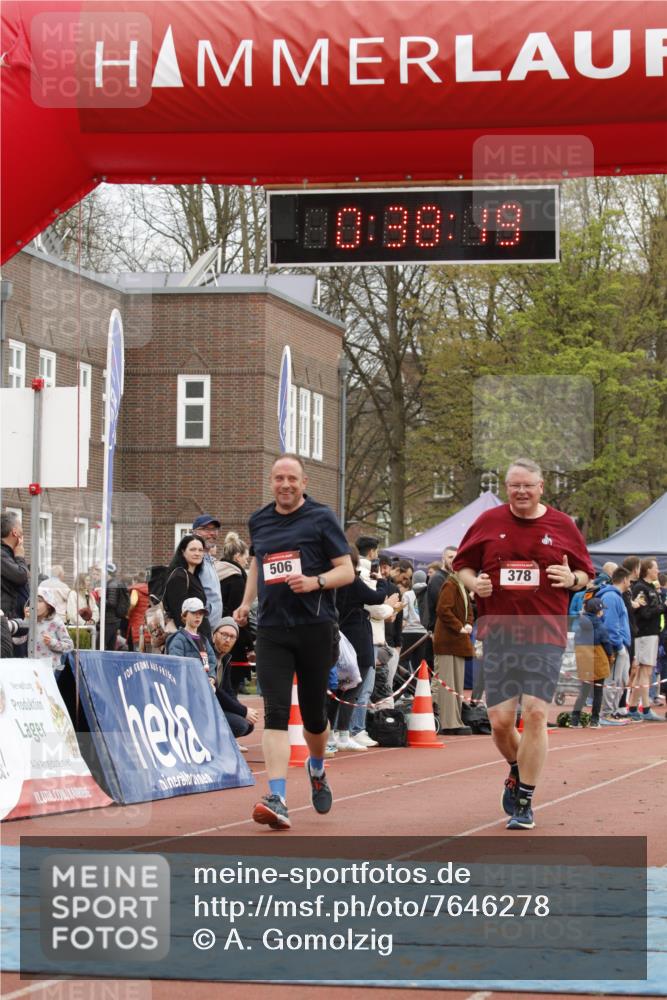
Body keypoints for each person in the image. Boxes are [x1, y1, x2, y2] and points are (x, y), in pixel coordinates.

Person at [454, 458, 594, 831]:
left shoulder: (563, 525)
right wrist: (474, 585)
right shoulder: (488, 522)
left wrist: (572, 577)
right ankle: (517, 768)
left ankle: (526, 800)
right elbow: (463, 566)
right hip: (499, 632)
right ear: (506, 487)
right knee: (500, 722)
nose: (520, 492)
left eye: (527, 486)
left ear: (541, 486)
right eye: (514, 485)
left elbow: (585, 572)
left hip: (545, 631)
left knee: (534, 713)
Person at [234, 454, 354, 830]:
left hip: (315, 627)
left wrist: (315, 582)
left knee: (316, 719)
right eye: (278, 478)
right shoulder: (260, 519)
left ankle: (316, 768)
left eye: (292, 479)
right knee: (276, 713)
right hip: (272, 630)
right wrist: (245, 602)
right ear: (271, 482)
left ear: (304, 483)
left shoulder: (321, 518)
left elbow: (346, 571)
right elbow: (257, 561)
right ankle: (278, 797)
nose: (285, 485)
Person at [333, 544, 399, 750]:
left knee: (339, 688)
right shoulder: (351, 580)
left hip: (340, 635)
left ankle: (337, 732)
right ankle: (344, 732)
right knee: (354, 687)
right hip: (357, 637)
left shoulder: (333, 582)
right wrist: (380, 582)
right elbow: (377, 599)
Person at [432, 570, 474, 735]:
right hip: (447, 641)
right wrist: (459, 626)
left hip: (458, 641)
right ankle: (448, 722)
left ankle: (456, 719)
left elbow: (469, 610)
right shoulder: (450, 585)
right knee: (447, 683)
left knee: (456, 685)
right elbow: (442, 609)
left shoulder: (461, 586)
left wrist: (469, 623)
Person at [627, 558, 666, 722]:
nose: (658, 571)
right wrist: (664, 606)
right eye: (655, 568)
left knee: (643, 672)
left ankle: (634, 707)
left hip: (652, 633)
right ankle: (645, 708)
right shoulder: (641, 588)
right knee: (646, 671)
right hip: (645, 634)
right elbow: (644, 613)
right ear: (647, 570)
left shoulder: (651, 587)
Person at [211, 617, 259, 751]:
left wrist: (243, 709)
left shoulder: (226, 658)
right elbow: (216, 692)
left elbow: (228, 690)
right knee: (241, 725)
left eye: (232, 637)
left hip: (216, 708)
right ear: (214, 635)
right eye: (224, 634)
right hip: (205, 709)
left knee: (249, 724)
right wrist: (243, 711)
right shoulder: (209, 657)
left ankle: (227, 740)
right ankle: (214, 741)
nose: (227, 639)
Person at [216, 531, 255, 693]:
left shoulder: (215, 573)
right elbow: (239, 615)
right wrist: (249, 645)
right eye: (245, 556)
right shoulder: (237, 580)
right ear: (237, 556)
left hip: (216, 635)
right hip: (233, 642)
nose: (247, 560)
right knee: (230, 689)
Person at [570, 597, 614, 728]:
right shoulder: (599, 625)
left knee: (584, 690)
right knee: (598, 690)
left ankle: (574, 719)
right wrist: (610, 655)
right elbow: (606, 642)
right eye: (602, 610)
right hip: (597, 657)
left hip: (584, 657)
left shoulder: (580, 624)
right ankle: (594, 720)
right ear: (598, 611)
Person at [597, 567, 633, 721]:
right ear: (624, 579)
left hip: (621, 645)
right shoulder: (612, 597)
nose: (630, 583)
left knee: (620, 680)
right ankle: (606, 714)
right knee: (612, 680)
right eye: (630, 580)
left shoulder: (616, 597)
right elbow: (611, 625)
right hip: (616, 646)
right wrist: (619, 646)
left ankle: (611, 712)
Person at [163, 534, 212, 642]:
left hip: (198, 637)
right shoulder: (179, 576)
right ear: (182, 551)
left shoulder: (194, 576)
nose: (197, 553)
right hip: (189, 641)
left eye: (200, 550)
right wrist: (193, 640)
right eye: (193, 549)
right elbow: (179, 613)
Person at [165, 597, 217, 689]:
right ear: (184, 615)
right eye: (193, 612)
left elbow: (212, 660)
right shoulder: (178, 639)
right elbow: (175, 666)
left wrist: (211, 676)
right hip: (186, 688)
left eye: (201, 613)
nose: (198, 616)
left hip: (204, 686)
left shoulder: (204, 639)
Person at [26, 585, 74, 672]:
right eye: (33, 600)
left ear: (48, 605)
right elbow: (18, 641)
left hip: (51, 670)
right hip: (31, 668)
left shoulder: (56, 622)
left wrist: (52, 642)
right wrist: (25, 620)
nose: (35, 604)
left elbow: (69, 646)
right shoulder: (29, 621)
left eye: (40, 601)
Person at [1, 511, 29, 657]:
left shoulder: (8, 554)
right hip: (5, 625)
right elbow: (20, 576)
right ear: (15, 532)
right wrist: (20, 557)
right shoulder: (2, 554)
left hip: (15, 624)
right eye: (21, 526)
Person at [191, 514, 224, 631]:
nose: (212, 533)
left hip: (210, 631)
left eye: (214, 529)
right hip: (199, 629)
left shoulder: (208, 559)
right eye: (206, 529)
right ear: (195, 532)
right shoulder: (193, 561)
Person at [104, 563, 130, 651]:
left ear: (108, 573)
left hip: (110, 620)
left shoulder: (112, 584)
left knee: (103, 644)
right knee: (111, 646)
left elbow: (112, 602)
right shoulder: (113, 583)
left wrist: (101, 599)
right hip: (114, 619)